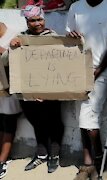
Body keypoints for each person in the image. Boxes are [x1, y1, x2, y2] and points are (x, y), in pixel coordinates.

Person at [65, 0, 107, 179]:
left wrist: (96, 72)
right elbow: (68, 38)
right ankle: (89, 161)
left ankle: (96, 160)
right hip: (77, 70)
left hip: (100, 71)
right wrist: (71, 35)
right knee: (83, 116)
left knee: (90, 120)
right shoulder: (76, 7)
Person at [10, 5, 64, 174]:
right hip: (28, 92)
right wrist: (12, 46)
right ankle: (41, 155)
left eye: (39, 19)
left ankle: (54, 155)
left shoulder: (53, 37)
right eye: (32, 20)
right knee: (36, 122)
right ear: (27, 21)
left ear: (44, 19)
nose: (37, 23)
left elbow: (61, 64)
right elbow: (8, 60)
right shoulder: (21, 37)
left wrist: (47, 91)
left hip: (50, 91)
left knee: (54, 121)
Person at [0, 22, 23, 179]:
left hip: (9, 89)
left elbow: (21, 60)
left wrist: (3, 51)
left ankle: (2, 161)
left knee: (8, 123)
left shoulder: (15, 35)